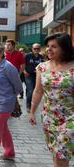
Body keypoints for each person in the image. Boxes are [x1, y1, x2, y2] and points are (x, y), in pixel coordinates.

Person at [29, 33, 74, 167]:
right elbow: (38, 91)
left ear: (64, 48)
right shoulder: (42, 67)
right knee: (56, 155)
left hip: (71, 118)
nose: (48, 49)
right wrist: (32, 111)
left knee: (60, 156)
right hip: (50, 117)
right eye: (48, 46)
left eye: (54, 46)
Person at [0, 41, 23, 167]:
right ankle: (9, 152)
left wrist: (10, 96)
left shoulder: (8, 67)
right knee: (3, 129)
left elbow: (18, 86)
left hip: (5, 103)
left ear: (1, 53)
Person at [23, 43, 44, 113]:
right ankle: (28, 105)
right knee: (30, 90)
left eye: (38, 48)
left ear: (40, 49)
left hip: (37, 76)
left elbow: (43, 66)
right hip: (28, 75)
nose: (36, 50)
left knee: (35, 90)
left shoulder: (41, 57)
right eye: (35, 48)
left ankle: (33, 104)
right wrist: (24, 71)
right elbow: (22, 63)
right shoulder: (28, 56)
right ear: (32, 49)